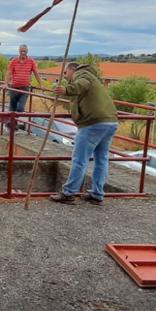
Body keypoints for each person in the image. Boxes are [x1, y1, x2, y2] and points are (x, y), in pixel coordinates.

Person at [48, 62, 118, 205]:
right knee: (101, 159)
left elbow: (81, 85)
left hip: (93, 123)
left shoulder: (82, 74)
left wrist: (65, 90)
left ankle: (69, 193)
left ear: (72, 70)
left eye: (66, 73)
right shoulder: (93, 77)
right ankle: (97, 194)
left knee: (79, 159)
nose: (66, 77)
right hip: (110, 121)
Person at [4, 44, 41, 132]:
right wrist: (5, 83)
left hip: (24, 89)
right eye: (21, 51)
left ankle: (9, 123)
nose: (23, 52)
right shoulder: (14, 61)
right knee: (12, 108)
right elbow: (9, 72)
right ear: (19, 51)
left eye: (24, 51)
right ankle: (12, 127)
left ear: (27, 52)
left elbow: (36, 73)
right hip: (14, 88)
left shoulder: (31, 61)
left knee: (20, 109)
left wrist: (41, 84)